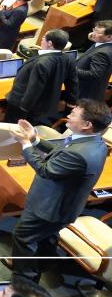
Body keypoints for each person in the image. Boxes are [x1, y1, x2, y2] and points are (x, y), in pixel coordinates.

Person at [8, 100, 111, 280]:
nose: (69, 114)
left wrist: (25, 144)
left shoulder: (79, 153)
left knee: (22, 237)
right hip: (63, 207)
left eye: (74, 114)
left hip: (49, 208)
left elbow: (46, 170)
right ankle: (41, 264)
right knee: (46, 236)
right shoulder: (94, 142)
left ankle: (25, 278)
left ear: (87, 125)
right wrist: (35, 139)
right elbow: (60, 152)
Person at [4, 29, 78, 125]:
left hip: (24, 106)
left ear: (50, 43)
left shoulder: (41, 63)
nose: (42, 39)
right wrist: (71, 102)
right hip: (46, 105)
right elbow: (73, 82)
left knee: (14, 129)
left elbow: (34, 88)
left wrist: (23, 109)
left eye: (44, 37)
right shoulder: (69, 59)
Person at [77, 20, 112, 101]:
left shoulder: (102, 53)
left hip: (84, 94)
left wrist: (71, 70)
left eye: (97, 32)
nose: (93, 34)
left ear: (109, 37)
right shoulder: (103, 43)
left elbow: (93, 75)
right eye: (94, 30)